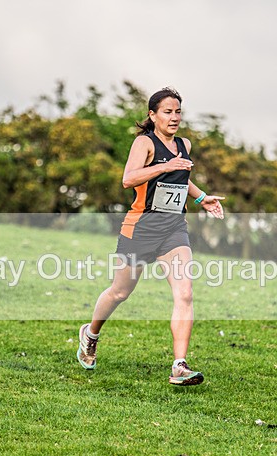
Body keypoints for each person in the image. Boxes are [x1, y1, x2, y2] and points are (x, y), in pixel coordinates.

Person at [76, 87, 224, 385]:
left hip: (173, 229)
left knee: (185, 293)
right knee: (120, 292)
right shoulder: (144, 143)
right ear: (152, 115)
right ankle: (90, 334)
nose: (174, 117)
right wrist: (164, 166)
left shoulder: (185, 144)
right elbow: (128, 179)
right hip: (140, 228)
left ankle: (179, 366)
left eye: (178, 111)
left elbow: (182, 177)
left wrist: (201, 198)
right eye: (167, 112)